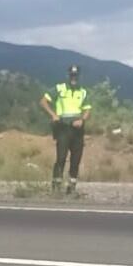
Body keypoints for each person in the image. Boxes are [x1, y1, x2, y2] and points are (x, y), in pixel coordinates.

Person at [41, 65, 92, 194]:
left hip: (78, 129)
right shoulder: (60, 88)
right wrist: (53, 115)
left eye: (75, 75)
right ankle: (56, 187)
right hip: (63, 128)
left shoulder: (83, 92)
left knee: (76, 159)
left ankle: (71, 188)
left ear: (79, 76)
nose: (73, 78)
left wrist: (82, 120)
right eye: (71, 75)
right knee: (61, 158)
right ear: (68, 75)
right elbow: (43, 101)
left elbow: (87, 110)